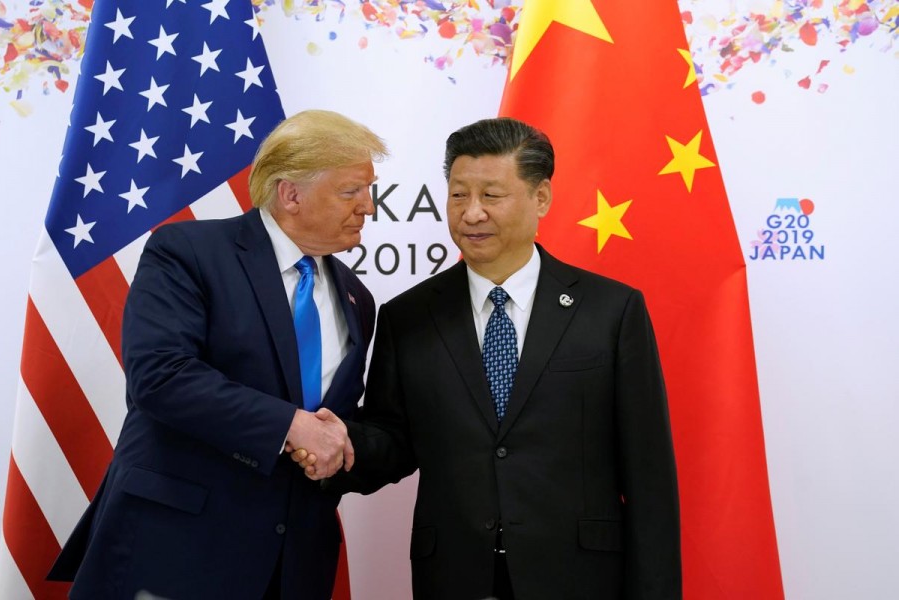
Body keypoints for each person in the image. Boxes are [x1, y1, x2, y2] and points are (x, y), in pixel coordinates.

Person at [299, 117, 681, 599]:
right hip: (456, 576)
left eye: (491, 196)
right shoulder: (410, 316)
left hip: (581, 577)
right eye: (459, 195)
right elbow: (393, 442)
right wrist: (335, 445)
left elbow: (649, 476)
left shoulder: (611, 311)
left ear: (541, 197)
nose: (472, 213)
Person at [47, 109, 387, 599]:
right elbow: (161, 376)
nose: (368, 207)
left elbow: (333, 419)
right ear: (290, 194)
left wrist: (339, 445)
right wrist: (292, 425)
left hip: (291, 568)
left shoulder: (357, 297)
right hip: (176, 552)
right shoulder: (189, 251)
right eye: (351, 191)